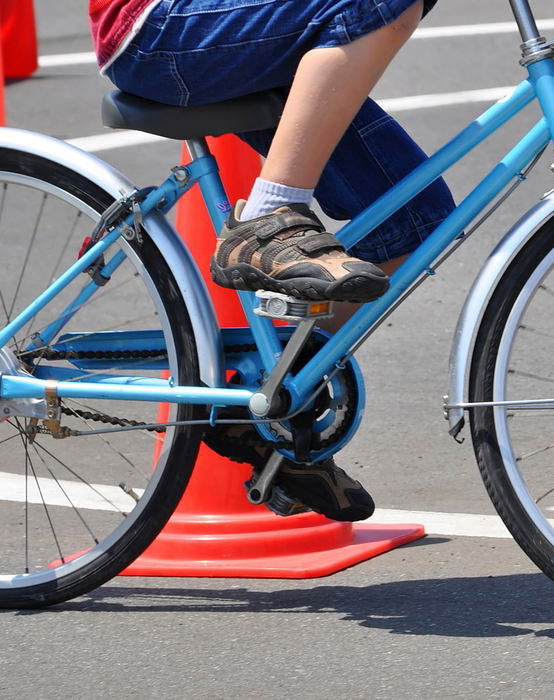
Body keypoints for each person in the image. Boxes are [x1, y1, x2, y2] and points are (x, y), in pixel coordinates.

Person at [89, 0, 457, 521]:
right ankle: (268, 217)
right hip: (158, 27)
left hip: (228, 22)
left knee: (417, 219)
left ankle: (270, 395)